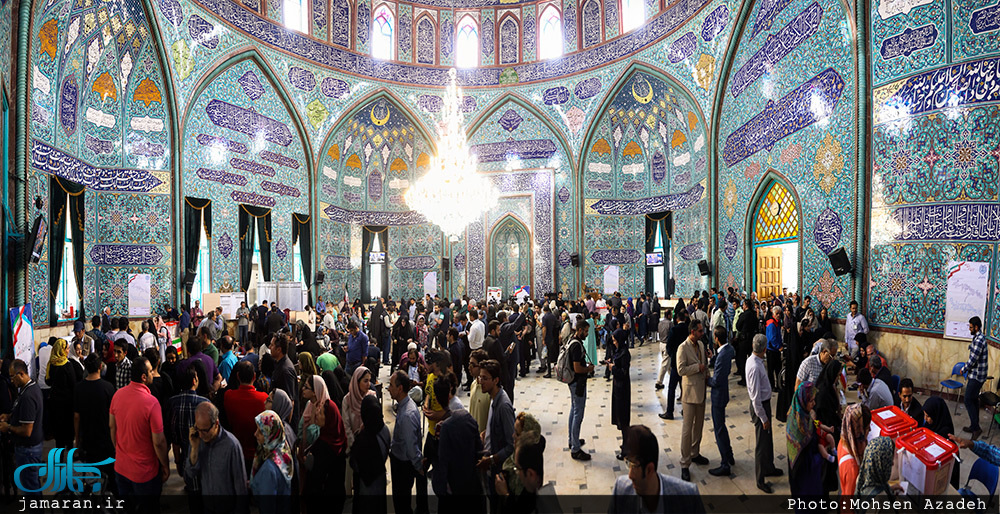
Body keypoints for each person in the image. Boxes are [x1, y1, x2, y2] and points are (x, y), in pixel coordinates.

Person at [109, 356, 170, 514]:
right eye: (150, 371)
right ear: (144, 377)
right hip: (145, 473)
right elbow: (159, 442)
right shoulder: (151, 403)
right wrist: (165, 464)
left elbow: (112, 427)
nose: (153, 373)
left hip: (121, 468)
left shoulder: (117, 395)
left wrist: (119, 450)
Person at [609, 425, 702, 514]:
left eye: (634, 466)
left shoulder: (688, 496)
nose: (630, 475)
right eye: (628, 464)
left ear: (649, 469)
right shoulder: (620, 490)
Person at [432, 374, 485, 513]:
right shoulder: (467, 418)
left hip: (453, 489)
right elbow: (479, 448)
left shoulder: (444, 427)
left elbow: (443, 461)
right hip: (471, 484)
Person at [186, 402, 249, 514]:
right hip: (208, 507)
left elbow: (240, 485)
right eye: (198, 429)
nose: (201, 435)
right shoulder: (197, 440)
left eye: (205, 430)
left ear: (216, 424)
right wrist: (194, 449)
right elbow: (191, 474)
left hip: (228, 509)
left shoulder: (231, 445)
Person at [299, 375, 347, 514]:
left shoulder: (324, 447)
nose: (317, 414)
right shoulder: (334, 441)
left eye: (320, 413)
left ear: (329, 419)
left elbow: (316, 479)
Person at [0, 360, 44, 496]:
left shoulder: (28, 396)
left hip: (27, 451)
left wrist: (8, 427)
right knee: (33, 484)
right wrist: (10, 416)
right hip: (30, 449)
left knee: (30, 489)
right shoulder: (29, 389)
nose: (11, 380)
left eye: (12, 376)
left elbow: (26, 430)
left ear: (21, 374)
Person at [746, 334, 782, 493]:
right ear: (765, 349)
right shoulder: (754, 366)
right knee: (761, 443)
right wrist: (763, 417)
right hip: (760, 407)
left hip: (764, 405)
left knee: (767, 439)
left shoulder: (756, 361)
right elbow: (755, 398)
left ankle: (769, 467)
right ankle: (760, 479)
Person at [74, 353, 117, 486]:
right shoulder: (108, 387)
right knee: (109, 476)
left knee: (91, 477)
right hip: (105, 438)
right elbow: (113, 417)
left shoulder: (79, 388)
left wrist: (77, 440)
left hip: (87, 438)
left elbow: (77, 417)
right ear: (100, 367)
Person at [676, 318, 710, 481]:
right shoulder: (683, 348)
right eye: (700, 331)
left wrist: (707, 374)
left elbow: (704, 363)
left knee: (699, 426)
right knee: (687, 429)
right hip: (689, 394)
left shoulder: (701, 345)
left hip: (701, 390)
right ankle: (685, 462)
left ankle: (695, 453)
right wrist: (697, 367)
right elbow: (681, 370)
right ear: (693, 332)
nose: (702, 333)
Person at [494, 431, 560, 514]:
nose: (516, 472)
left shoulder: (533, 506)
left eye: (517, 468)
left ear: (530, 474)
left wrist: (505, 495)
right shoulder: (542, 496)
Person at [387, 371, 425, 514]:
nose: (388, 388)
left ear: (400, 388)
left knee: (402, 503)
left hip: (403, 465)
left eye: (391, 385)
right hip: (400, 459)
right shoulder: (404, 405)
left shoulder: (407, 414)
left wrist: (418, 465)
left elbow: (411, 446)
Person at [477, 359, 515, 498]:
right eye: (480, 377)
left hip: (499, 470)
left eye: (485, 378)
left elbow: (511, 445)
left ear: (496, 380)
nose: (481, 382)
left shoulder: (503, 406)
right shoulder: (493, 398)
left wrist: (491, 460)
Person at [225, 361, 269, 471]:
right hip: (257, 453)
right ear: (254, 376)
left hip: (236, 451)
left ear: (238, 376)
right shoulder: (264, 398)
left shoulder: (229, 396)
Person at [350, 395, 390, 514]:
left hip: (365, 484)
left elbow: (355, 464)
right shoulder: (385, 429)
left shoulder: (363, 439)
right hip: (380, 478)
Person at [786, 382, 826, 498]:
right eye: (811, 401)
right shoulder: (799, 427)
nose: (814, 404)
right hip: (805, 476)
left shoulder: (799, 414)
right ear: (803, 400)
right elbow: (804, 459)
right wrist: (822, 455)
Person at [250, 410, 294, 514]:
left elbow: (267, 506)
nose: (255, 434)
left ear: (270, 435)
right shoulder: (283, 449)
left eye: (261, 432)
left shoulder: (268, 469)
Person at [707, 326, 734, 477]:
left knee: (718, 429)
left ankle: (725, 464)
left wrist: (706, 379)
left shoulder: (723, 355)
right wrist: (713, 357)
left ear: (716, 338)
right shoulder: (728, 350)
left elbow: (716, 380)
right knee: (722, 426)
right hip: (724, 393)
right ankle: (729, 455)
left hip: (718, 395)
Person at [45, 339, 82, 448]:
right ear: (61, 350)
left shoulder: (51, 363)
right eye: (67, 348)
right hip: (67, 402)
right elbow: (73, 383)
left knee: (58, 430)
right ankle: (69, 450)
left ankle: (59, 454)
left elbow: (48, 381)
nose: (68, 350)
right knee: (68, 430)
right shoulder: (67, 365)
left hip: (55, 401)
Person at [567, 322, 594, 461]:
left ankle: (573, 440)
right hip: (577, 383)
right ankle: (575, 449)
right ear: (579, 330)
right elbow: (577, 368)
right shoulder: (576, 346)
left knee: (574, 410)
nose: (587, 334)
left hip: (573, 382)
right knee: (578, 414)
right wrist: (589, 369)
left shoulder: (572, 340)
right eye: (586, 331)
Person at [923, 396, 961, 488]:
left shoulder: (945, 434)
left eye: (928, 416)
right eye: (924, 415)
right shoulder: (930, 425)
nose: (925, 419)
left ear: (936, 415)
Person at [854, 437, 902, 509]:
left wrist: (890, 489)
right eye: (888, 461)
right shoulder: (881, 500)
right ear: (880, 463)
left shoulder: (862, 477)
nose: (892, 463)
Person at [659, 310, 688, 420]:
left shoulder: (674, 330)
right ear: (685, 319)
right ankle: (686, 410)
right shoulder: (688, 329)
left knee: (672, 388)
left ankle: (669, 412)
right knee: (685, 387)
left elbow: (669, 346)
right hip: (686, 363)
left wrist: (673, 356)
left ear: (677, 319)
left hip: (676, 363)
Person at [837, 403, 871, 498]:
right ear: (859, 431)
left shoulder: (844, 441)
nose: (870, 430)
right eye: (867, 427)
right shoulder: (852, 467)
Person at [610, 320, 632, 460]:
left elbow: (623, 372)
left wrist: (613, 368)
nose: (613, 343)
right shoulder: (620, 351)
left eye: (615, 340)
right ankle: (625, 445)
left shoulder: (624, 354)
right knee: (621, 418)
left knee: (624, 421)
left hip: (622, 389)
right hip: (618, 388)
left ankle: (626, 449)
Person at [963, 316, 988, 439]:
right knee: (973, 400)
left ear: (976, 327)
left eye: (971, 327)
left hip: (977, 376)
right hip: (977, 374)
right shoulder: (977, 338)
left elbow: (973, 359)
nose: (970, 329)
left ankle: (976, 428)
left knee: (968, 399)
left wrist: (964, 368)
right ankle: (974, 426)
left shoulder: (979, 340)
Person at [343, 366, 376, 450]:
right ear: (356, 382)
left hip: (369, 443)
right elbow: (346, 425)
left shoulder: (372, 397)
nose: (369, 384)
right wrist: (354, 444)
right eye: (365, 381)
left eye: (369, 380)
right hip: (352, 444)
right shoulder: (347, 400)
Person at [269, 334, 298, 423]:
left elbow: (290, 402)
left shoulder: (286, 371)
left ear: (279, 349)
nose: (269, 347)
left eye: (272, 345)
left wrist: (285, 425)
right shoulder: (279, 364)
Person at [467, 349, 492, 431]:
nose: (469, 368)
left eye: (473, 365)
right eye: (469, 364)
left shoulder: (489, 391)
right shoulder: (473, 384)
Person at [654, 310, 673, 390]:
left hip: (661, 343)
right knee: (665, 364)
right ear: (668, 315)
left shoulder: (660, 323)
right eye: (671, 315)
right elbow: (672, 335)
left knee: (668, 364)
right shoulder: (670, 323)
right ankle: (659, 382)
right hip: (667, 344)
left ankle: (672, 378)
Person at [765, 306, 783, 391]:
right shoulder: (772, 324)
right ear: (773, 314)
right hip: (772, 350)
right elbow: (772, 338)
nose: (778, 315)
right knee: (772, 370)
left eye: (779, 313)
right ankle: (772, 386)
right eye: (777, 313)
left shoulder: (777, 322)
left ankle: (779, 384)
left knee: (777, 369)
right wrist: (779, 347)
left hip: (775, 349)